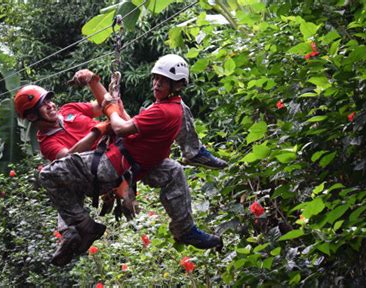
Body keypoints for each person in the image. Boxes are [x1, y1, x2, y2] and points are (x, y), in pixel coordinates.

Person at [14, 57, 226, 266]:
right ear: (32, 116)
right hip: (100, 166)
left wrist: (93, 81)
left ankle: (186, 228)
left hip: (124, 155)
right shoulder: (47, 141)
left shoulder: (69, 110)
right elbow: (69, 159)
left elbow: (103, 106)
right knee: (51, 175)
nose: (51, 106)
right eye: (44, 105)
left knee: (173, 170)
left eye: (49, 100)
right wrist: (98, 130)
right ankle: (77, 228)